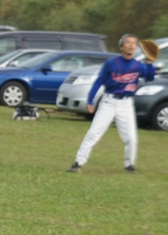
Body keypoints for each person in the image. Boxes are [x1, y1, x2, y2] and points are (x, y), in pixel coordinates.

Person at [67, 34, 157, 173]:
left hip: (126, 104)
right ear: (121, 47)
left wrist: (150, 63)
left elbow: (149, 78)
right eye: (128, 43)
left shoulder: (138, 65)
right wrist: (90, 100)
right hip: (108, 102)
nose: (131, 45)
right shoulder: (111, 63)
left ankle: (129, 165)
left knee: (131, 138)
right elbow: (99, 81)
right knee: (93, 133)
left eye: (134, 43)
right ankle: (78, 163)